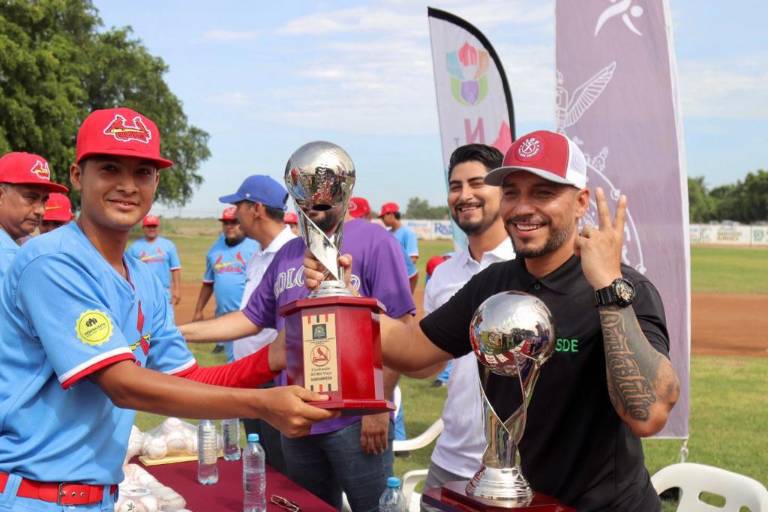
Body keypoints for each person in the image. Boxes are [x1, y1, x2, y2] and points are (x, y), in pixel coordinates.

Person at [306, 130, 681, 511]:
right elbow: (413, 351)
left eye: (543, 192)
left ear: (581, 200)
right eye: (512, 192)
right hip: (525, 502)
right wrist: (343, 297)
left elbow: (648, 415)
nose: (522, 207)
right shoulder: (495, 283)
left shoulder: (624, 289)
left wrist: (606, 285)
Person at [0, 107, 335, 512]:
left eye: (142, 172)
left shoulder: (143, 279)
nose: (127, 185)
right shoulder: (51, 260)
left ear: (156, 181)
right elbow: (122, 384)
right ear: (76, 176)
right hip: (35, 496)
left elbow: (191, 378)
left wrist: (274, 356)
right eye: (109, 168)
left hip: (96, 497)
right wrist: (261, 404)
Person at [181, 144, 416, 512]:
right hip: (298, 418)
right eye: (304, 194)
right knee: (307, 507)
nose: (314, 203)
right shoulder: (288, 255)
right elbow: (249, 320)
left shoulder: (375, 242)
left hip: (356, 419)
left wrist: (378, 407)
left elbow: (402, 326)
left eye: (323, 192)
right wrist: (181, 332)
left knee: (372, 507)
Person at [419, 144, 516, 509]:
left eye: (477, 183)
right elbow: (427, 362)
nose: (465, 195)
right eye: (455, 185)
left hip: (515, 470)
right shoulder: (444, 274)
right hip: (450, 460)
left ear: (504, 190)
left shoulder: (528, 266)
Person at [223, 174, 297, 473]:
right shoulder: (258, 256)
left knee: (282, 469)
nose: (234, 213)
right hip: (249, 375)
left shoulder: (293, 253)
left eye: (238, 205)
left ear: (256, 208)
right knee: (261, 462)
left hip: (275, 380)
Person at [192, 206, 259, 363]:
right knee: (232, 362)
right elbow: (208, 283)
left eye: (234, 222)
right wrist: (198, 310)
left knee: (250, 362)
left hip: (249, 317)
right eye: (226, 223)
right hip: (225, 318)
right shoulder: (214, 251)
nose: (229, 226)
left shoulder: (255, 247)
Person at [0, 152, 68, 282]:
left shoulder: (21, 244)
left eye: (44, 200)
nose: (41, 211)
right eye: (31, 198)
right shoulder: (9, 257)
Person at [127, 214, 182, 304]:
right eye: (148, 226)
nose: (151, 229)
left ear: (158, 227)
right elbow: (127, 270)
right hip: (142, 292)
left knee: (166, 317)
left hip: (163, 291)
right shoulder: (134, 248)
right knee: (145, 317)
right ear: (143, 228)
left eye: (154, 226)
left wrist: (177, 289)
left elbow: (175, 268)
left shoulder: (168, 245)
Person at [379, 201, 419, 292]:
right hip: (389, 278)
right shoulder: (387, 233)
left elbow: (413, 259)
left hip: (404, 278)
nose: (382, 220)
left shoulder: (408, 233)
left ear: (391, 215)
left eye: (383, 217)